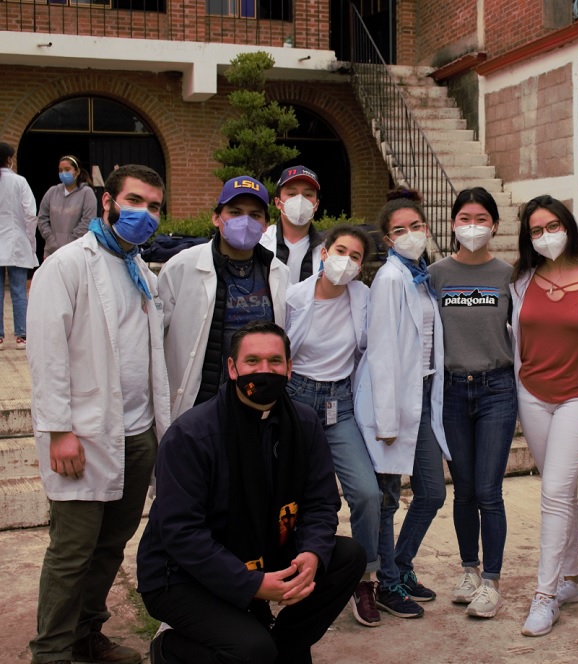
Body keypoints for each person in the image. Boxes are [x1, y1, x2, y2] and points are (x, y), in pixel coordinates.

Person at [137, 321, 366, 663]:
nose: (264, 370)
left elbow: (321, 502)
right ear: (232, 368)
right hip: (181, 575)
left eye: (275, 362)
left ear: (290, 369)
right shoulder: (192, 435)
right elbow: (181, 534)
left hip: (266, 551)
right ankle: (169, 650)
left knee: (348, 557)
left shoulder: (304, 424)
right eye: (252, 361)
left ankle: (281, 648)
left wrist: (312, 553)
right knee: (251, 650)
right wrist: (251, 584)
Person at [26, 164, 171, 664]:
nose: (145, 214)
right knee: (71, 552)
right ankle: (50, 653)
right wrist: (58, 431)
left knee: (112, 545)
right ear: (107, 201)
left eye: (154, 206)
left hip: (135, 433)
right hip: (82, 436)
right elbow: (45, 355)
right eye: (135, 201)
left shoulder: (140, 271)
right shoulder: (67, 265)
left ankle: (86, 634)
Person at [511, 195, 578, 637]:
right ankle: (570, 581)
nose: (545, 236)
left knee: (552, 490)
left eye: (552, 225)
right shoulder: (523, 279)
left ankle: (545, 595)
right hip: (532, 395)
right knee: (563, 490)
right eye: (536, 230)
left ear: (568, 225)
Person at [354, 188, 450, 618]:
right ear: (388, 240)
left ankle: (401, 566)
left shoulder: (420, 272)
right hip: (392, 402)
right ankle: (388, 584)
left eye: (416, 226)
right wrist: (386, 420)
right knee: (389, 498)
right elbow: (382, 354)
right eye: (400, 230)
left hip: (425, 396)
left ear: (426, 230)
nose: (410, 234)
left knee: (430, 493)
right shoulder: (391, 278)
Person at [284, 225, 385, 627]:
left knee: (367, 493)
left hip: (339, 404)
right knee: (286, 493)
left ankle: (363, 578)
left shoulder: (363, 299)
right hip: (294, 401)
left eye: (356, 256)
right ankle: (287, 571)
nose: (346, 261)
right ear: (324, 253)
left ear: (361, 267)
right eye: (340, 250)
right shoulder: (294, 296)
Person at [427, 187, 517, 619]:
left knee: (488, 490)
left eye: (482, 218)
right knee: (462, 489)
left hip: (497, 387)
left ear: (495, 225)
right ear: (452, 224)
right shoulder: (436, 274)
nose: (473, 226)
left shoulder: (508, 275)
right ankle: (468, 570)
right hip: (451, 389)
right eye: (465, 218)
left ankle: (493, 581)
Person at [158, 175, 289, 419]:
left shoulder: (278, 272)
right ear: (217, 217)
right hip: (200, 400)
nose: (245, 221)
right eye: (235, 212)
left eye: (255, 215)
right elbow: (156, 337)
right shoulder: (181, 267)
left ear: (265, 225)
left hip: (256, 397)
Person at [0, 142, 38, 351]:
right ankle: (21, 336)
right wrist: (30, 241)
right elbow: (30, 214)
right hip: (16, 242)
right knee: (18, 291)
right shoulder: (19, 181)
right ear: (9, 159)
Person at [260, 165, 324, 284]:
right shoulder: (260, 243)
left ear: (316, 205)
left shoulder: (327, 249)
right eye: (291, 194)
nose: (300, 200)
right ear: (278, 202)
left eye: (308, 195)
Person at [38, 155, 98, 259]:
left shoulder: (87, 193)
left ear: (77, 171)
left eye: (67, 169)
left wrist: (71, 241)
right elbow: (42, 218)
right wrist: (50, 239)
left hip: (76, 251)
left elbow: (88, 220)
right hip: (51, 251)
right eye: (60, 170)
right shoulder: (52, 192)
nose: (63, 173)